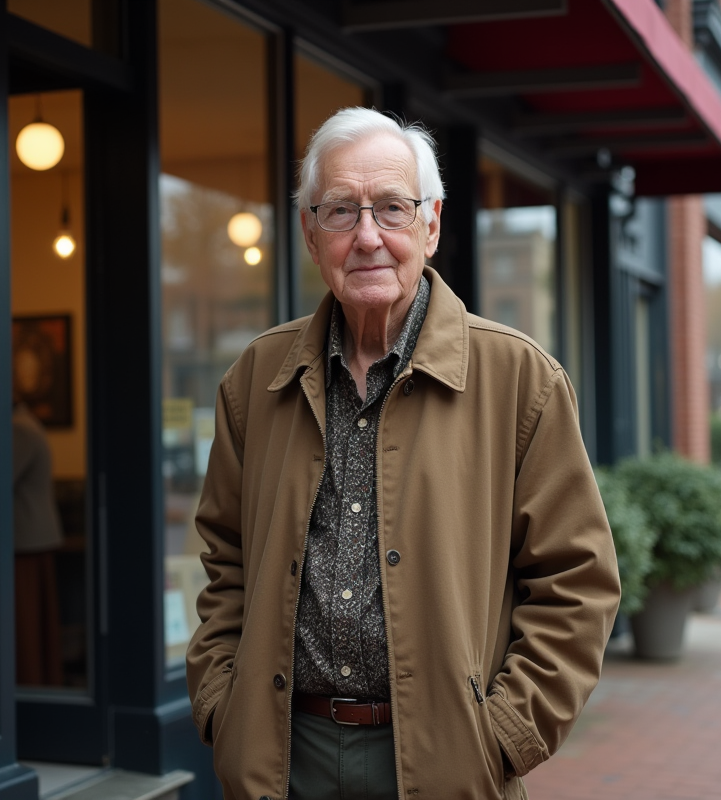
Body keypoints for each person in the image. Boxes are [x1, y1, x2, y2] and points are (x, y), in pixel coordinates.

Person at [186, 107, 620, 800]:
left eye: (392, 208)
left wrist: (502, 736)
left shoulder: (520, 380)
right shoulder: (254, 379)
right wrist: (221, 705)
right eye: (339, 211)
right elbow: (224, 560)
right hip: (281, 759)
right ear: (309, 231)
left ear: (433, 224)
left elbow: (577, 583)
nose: (367, 237)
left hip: (444, 764)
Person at [12, 402, 65, 685]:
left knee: (28, 625)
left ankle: (32, 683)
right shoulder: (27, 423)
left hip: (27, 540)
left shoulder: (19, 428)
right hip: (33, 537)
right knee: (35, 623)